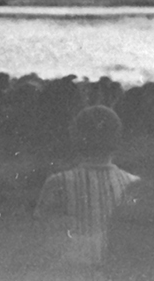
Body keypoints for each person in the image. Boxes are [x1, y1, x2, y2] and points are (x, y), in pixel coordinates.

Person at [34, 106, 140, 273]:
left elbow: (44, 241)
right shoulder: (134, 184)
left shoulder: (57, 183)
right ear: (118, 140)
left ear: (75, 138)